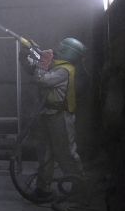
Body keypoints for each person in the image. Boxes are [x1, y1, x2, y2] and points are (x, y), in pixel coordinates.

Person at [29, 36, 86, 198]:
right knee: (45, 153)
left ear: (67, 51)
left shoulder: (64, 70)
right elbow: (35, 69)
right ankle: (43, 188)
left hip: (60, 116)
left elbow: (42, 80)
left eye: (61, 47)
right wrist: (31, 54)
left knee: (66, 152)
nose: (57, 49)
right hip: (47, 114)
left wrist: (42, 63)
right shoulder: (58, 66)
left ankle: (79, 186)